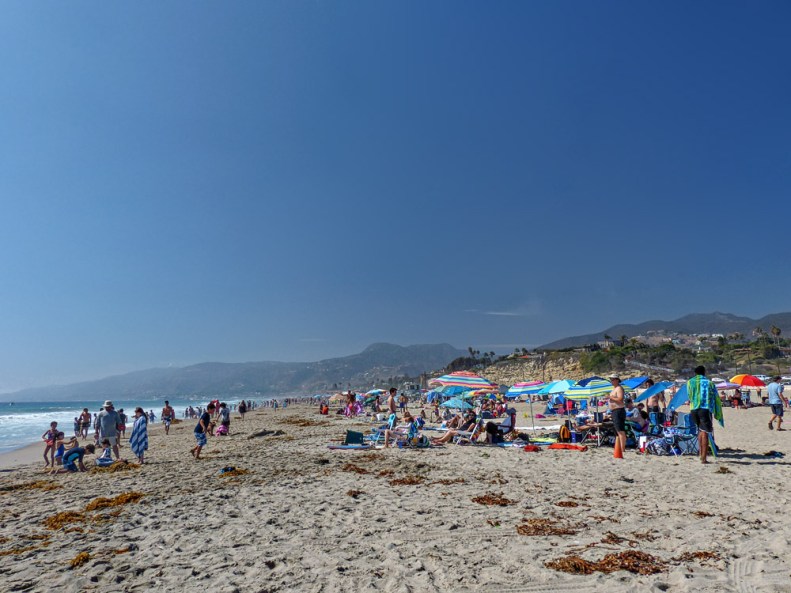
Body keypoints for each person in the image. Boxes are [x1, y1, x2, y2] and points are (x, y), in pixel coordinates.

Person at [686, 366, 723, 464]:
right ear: (704, 372)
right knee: (706, 432)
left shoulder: (689, 382)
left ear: (695, 373)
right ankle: (703, 457)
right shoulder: (709, 383)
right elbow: (715, 397)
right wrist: (717, 411)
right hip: (704, 409)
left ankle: (700, 455)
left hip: (693, 409)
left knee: (700, 430)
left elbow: (689, 396)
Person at [607, 374, 627, 455]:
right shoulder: (614, 389)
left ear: (617, 380)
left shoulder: (619, 388)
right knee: (617, 430)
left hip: (618, 410)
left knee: (620, 430)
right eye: (611, 380)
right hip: (614, 411)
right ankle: (620, 446)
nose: (611, 381)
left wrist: (610, 398)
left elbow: (620, 399)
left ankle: (622, 448)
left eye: (613, 379)